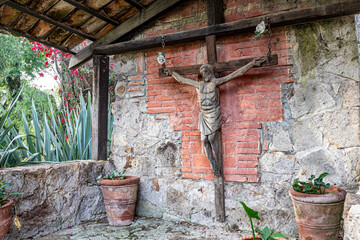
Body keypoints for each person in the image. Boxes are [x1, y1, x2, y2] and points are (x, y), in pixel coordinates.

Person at [165, 57, 266, 175]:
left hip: (213, 113)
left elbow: (235, 74)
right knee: (204, 139)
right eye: (202, 73)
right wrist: (172, 73)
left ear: (210, 72)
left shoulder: (215, 82)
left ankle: (217, 162)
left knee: (212, 138)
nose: (204, 75)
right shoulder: (199, 85)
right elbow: (183, 80)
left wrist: (252, 64)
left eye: (206, 72)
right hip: (204, 114)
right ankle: (213, 163)